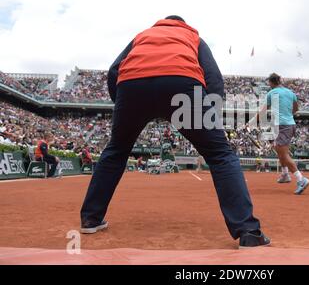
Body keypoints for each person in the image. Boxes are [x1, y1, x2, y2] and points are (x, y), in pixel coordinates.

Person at [80, 15, 269, 248]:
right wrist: (210, 114)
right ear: (183, 23)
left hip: (132, 85)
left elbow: (113, 71)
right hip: (182, 83)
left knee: (116, 151)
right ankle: (248, 232)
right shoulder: (193, 36)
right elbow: (214, 79)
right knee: (220, 155)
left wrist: (121, 103)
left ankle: (91, 218)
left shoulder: (143, 36)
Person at [250, 73, 309, 195]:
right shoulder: (291, 93)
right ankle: (285, 174)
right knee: (279, 150)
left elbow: (263, 111)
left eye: (269, 83)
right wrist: (287, 115)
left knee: (284, 154)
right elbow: (295, 109)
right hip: (290, 124)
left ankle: (301, 179)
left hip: (282, 126)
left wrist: (251, 122)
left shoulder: (272, 93)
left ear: (271, 83)